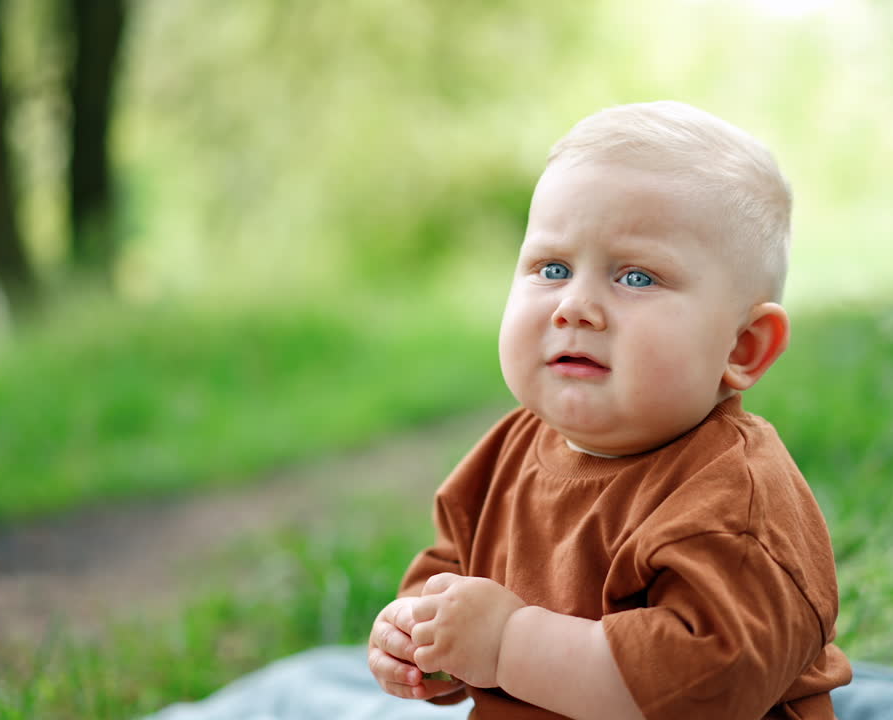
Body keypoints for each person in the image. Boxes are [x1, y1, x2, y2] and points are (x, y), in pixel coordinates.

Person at [365, 100, 851, 720]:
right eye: (553, 268)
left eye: (637, 278)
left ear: (741, 346)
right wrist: (418, 634)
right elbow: (450, 569)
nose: (575, 305)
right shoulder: (509, 450)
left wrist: (508, 644)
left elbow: (707, 685)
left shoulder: (732, 501)